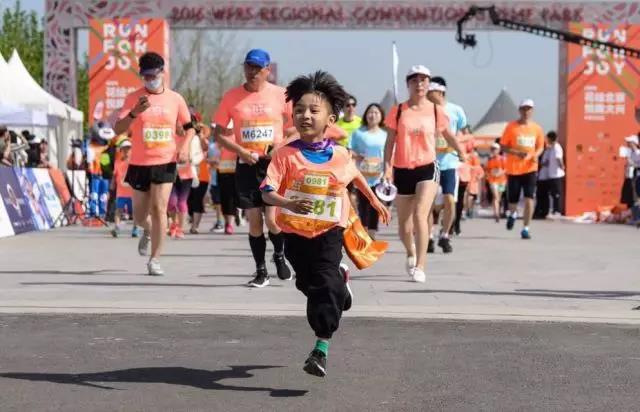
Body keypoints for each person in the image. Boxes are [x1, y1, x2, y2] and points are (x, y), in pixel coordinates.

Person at [261, 71, 391, 377]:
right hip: (294, 234)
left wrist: (373, 200)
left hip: (329, 231)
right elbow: (266, 192)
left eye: (313, 110)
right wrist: (287, 203)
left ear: (330, 119)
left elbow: (355, 176)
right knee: (308, 283)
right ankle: (339, 284)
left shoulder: (341, 154)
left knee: (324, 283)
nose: (305, 116)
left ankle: (321, 347)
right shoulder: (284, 156)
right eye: (299, 110)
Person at [213, 49, 294, 287]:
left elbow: (298, 126)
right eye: (249, 67)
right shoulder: (231, 97)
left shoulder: (281, 95)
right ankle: (261, 271)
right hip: (246, 163)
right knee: (254, 219)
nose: (252, 72)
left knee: (272, 218)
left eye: (258, 68)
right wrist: (241, 151)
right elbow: (218, 133)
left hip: (273, 165)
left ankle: (279, 256)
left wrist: (281, 145)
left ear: (268, 70)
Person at [114, 51, 194, 276]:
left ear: (162, 73)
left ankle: (155, 259)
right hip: (139, 163)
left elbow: (189, 128)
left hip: (166, 161)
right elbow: (117, 129)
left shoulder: (175, 99)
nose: (149, 80)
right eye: (145, 77)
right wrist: (133, 113)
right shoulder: (133, 98)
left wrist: (185, 146)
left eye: (153, 75)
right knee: (140, 216)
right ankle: (147, 231)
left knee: (159, 208)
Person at [384, 65, 466, 282]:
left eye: (423, 80)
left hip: (428, 167)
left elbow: (448, 134)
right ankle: (410, 251)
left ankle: (420, 266)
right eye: (414, 80)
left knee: (421, 213)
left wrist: (461, 151)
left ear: (428, 84)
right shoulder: (398, 110)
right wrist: (387, 167)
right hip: (402, 168)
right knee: (403, 224)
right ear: (408, 84)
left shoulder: (436, 110)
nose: (419, 84)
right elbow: (390, 141)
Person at [426, 76, 468, 253]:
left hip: (449, 162)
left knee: (450, 199)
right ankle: (428, 237)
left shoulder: (456, 110)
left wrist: (457, 145)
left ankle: (445, 235)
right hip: (429, 162)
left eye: (430, 92)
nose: (427, 95)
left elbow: (465, 132)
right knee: (427, 203)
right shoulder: (424, 110)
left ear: (440, 91)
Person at [500, 99, 545, 239]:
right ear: (519, 110)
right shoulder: (511, 127)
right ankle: (513, 214)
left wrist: (536, 155)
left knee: (529, 198)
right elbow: (503, 146)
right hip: (514, 169)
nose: (526, 112)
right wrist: (516, 153)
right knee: (512, 200)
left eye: (529, 109)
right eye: (524, 109)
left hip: (530, 168)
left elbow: (540, 147)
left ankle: (526, 228)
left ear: (532, 111)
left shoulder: (537, 128)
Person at [349, 103, 388, 239]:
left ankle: (371, 233)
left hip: (379, 175)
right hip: (362, 175)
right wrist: (357, 155)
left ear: (381, 116)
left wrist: (388, 173)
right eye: (370, 112)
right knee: (363, 204)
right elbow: (349, 149)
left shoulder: (385, 134)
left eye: (376, 113)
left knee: (375, 205)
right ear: (366, 115)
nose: (373, 115)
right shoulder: (358, 133)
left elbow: (389, 154)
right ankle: (364, 231)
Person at [110, 139, 139, 237]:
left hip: (133, 192)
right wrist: (112, 184)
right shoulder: (117, 162)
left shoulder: (134, 162)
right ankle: (117, 227)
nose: (126, 151)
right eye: (124, 149)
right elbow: (115, 175)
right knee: (118, 210)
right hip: (121, 192)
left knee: (135, 211)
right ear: (121, 150)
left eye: (128, 149)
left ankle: (135, 228)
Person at [167, 142, 195, 239]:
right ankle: (174, 224)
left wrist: (191, 159)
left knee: (181, 202)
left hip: (186, 175)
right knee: (171, 201)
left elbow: (198, 154)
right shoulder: (170, 136)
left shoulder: (190, 138)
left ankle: (180, 228)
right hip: (170, 174)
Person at [187, 129, 212, 234]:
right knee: (189, 200)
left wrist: (201, 137)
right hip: (188, 174)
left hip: (202, 176)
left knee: (197, 200)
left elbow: (207, 147)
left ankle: (195, 226)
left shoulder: (203, 141)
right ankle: (192, 218)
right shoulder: (187, 141)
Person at [535, 131, 565, 218]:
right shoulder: (551, 148)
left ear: (550, 138)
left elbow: (558, 158)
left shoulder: (557, 147)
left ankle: (557, 211)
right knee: (553, 193)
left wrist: (562, 166)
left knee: (557, 194)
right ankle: (551, 210)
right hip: (551, 174)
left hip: (557, 174)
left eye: (547, 138)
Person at [485, 142, 508, 222]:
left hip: (502, 181)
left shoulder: (503, 159)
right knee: (496, 196)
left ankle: (497, 211)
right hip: (493, 181)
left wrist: (500, 173)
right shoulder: (490, 159)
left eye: (495, 149)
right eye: (492, 149)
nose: (493, 150)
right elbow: (487, 170)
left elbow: (506, 169)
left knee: (499, 197)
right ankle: (496, 214)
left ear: (498, 150)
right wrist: (490, 174)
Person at [206, 140, 225, 233]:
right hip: (215, 177)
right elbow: (208, 158)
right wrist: (212, 161)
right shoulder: (212, 146)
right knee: (217, 202)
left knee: (226, 200)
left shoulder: (231, 144)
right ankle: (220, 222)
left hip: (227, 175)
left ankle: (229, 221)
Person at [620, 134, 640, 209]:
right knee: (630, 196)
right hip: (631, 176)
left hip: (637, 176)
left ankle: (637, 216)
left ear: (634, 143)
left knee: (636, 195)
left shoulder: (638, 153)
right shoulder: (630, 153)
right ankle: (633, 215)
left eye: (629, 142)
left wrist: (633, 164)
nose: (627, 144)